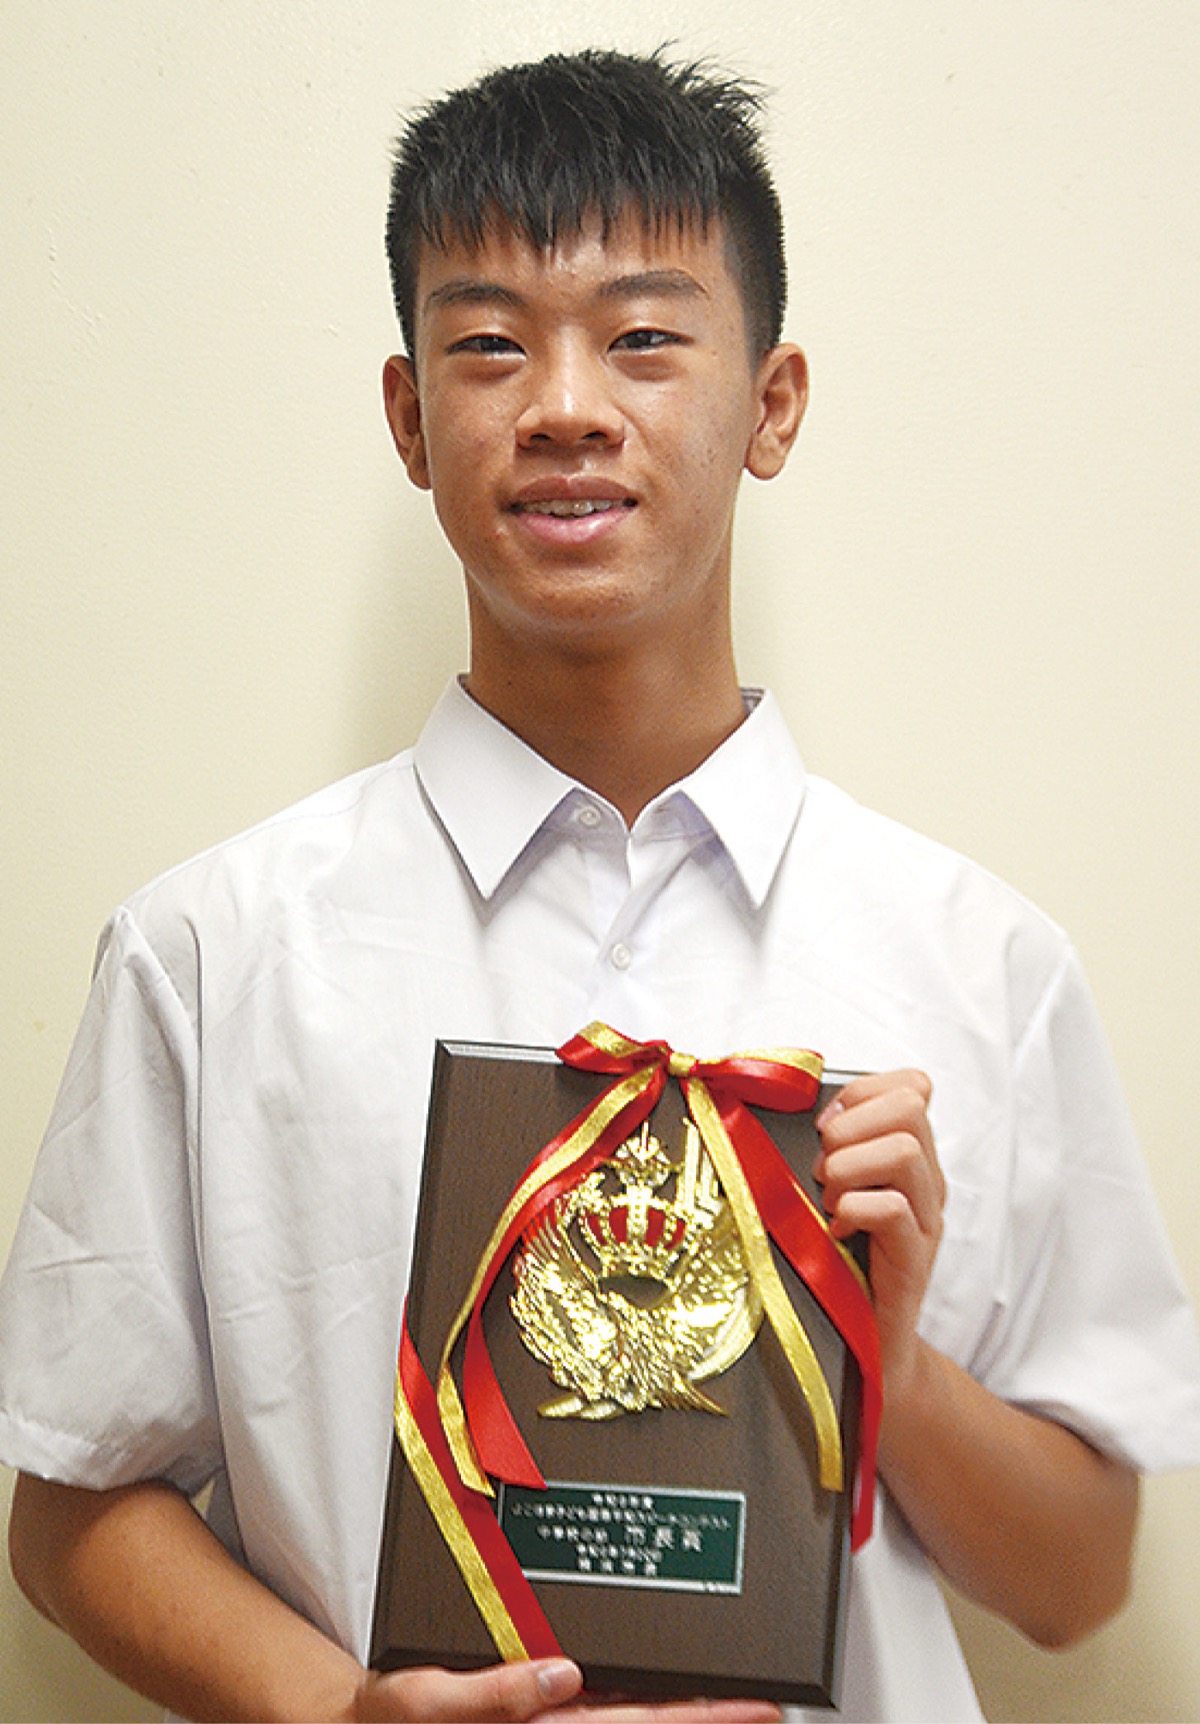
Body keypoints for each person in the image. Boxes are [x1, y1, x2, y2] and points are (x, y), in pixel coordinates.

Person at [2, 46, 1198, 1724]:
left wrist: (889, 1363)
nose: (565, 404)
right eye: (490, 343)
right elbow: (69, 1509)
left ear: (771, 403)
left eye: (643, 336)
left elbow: (1078, 1582)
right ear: (411, 419)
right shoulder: (208, 952)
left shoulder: (981, 961)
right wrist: (338, 1712)